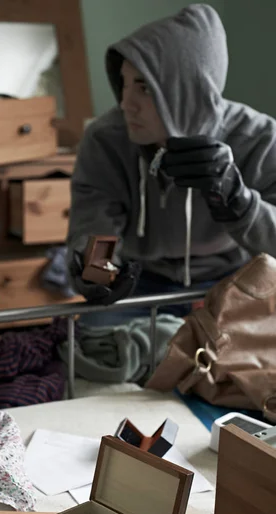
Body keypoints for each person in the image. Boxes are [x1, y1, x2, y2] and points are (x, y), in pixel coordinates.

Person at [67, 3, 276, 326]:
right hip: (142, 284)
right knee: (94, 345)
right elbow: (97, 226)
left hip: (235, 281)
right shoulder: (105, 139)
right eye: (124, 83)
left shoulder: (258, 137)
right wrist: (100, 275)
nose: (125, 104)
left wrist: (239, 202)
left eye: (144, 87)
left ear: (188, 89)